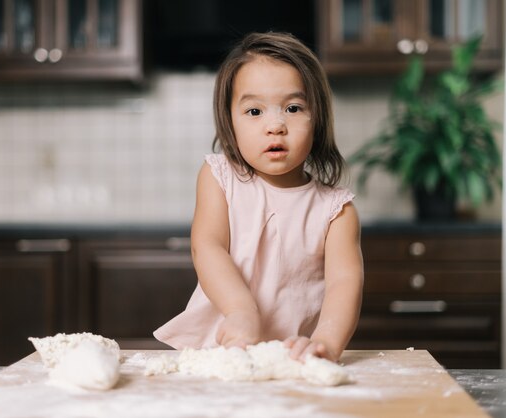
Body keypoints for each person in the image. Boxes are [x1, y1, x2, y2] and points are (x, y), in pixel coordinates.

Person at [154, 32, 363, 362]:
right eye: (254, 112)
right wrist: (240, 311)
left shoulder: (336, 211)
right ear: (230, 121)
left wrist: (326, 343)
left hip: (289, 360)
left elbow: (344, 284)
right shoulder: (220, 178)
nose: (276, 125)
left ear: (317, 118)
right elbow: (206, 246)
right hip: (221, 353)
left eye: (293, 108)